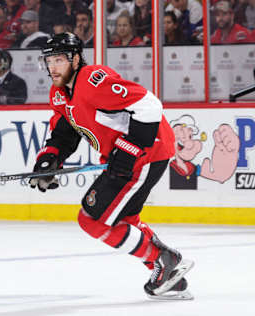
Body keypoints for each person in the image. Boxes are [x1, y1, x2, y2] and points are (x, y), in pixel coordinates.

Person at [29, 32, 194, 300]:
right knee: (123, 221)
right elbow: (65, 131)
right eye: (49, 61)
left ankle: (164, 260)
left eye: (59, 59)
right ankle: (169, 277)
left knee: (92, 219)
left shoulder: (92, 80)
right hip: (134, 156)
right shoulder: (59, 93)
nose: (53, 67)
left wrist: (127, 152)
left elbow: (149, 105)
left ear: (76, 58)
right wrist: (50, 158)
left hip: (147, 152)